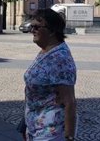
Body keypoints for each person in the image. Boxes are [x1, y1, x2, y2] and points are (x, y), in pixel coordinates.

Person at [22, 8, 77, 141]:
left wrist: (69, 137)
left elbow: (69, 102)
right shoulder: (46, 51)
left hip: (51, 131)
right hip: (36, 125)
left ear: (52, 30)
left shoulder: (60, 58)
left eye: (36, 27)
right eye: (31, 26)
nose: (32, 30)